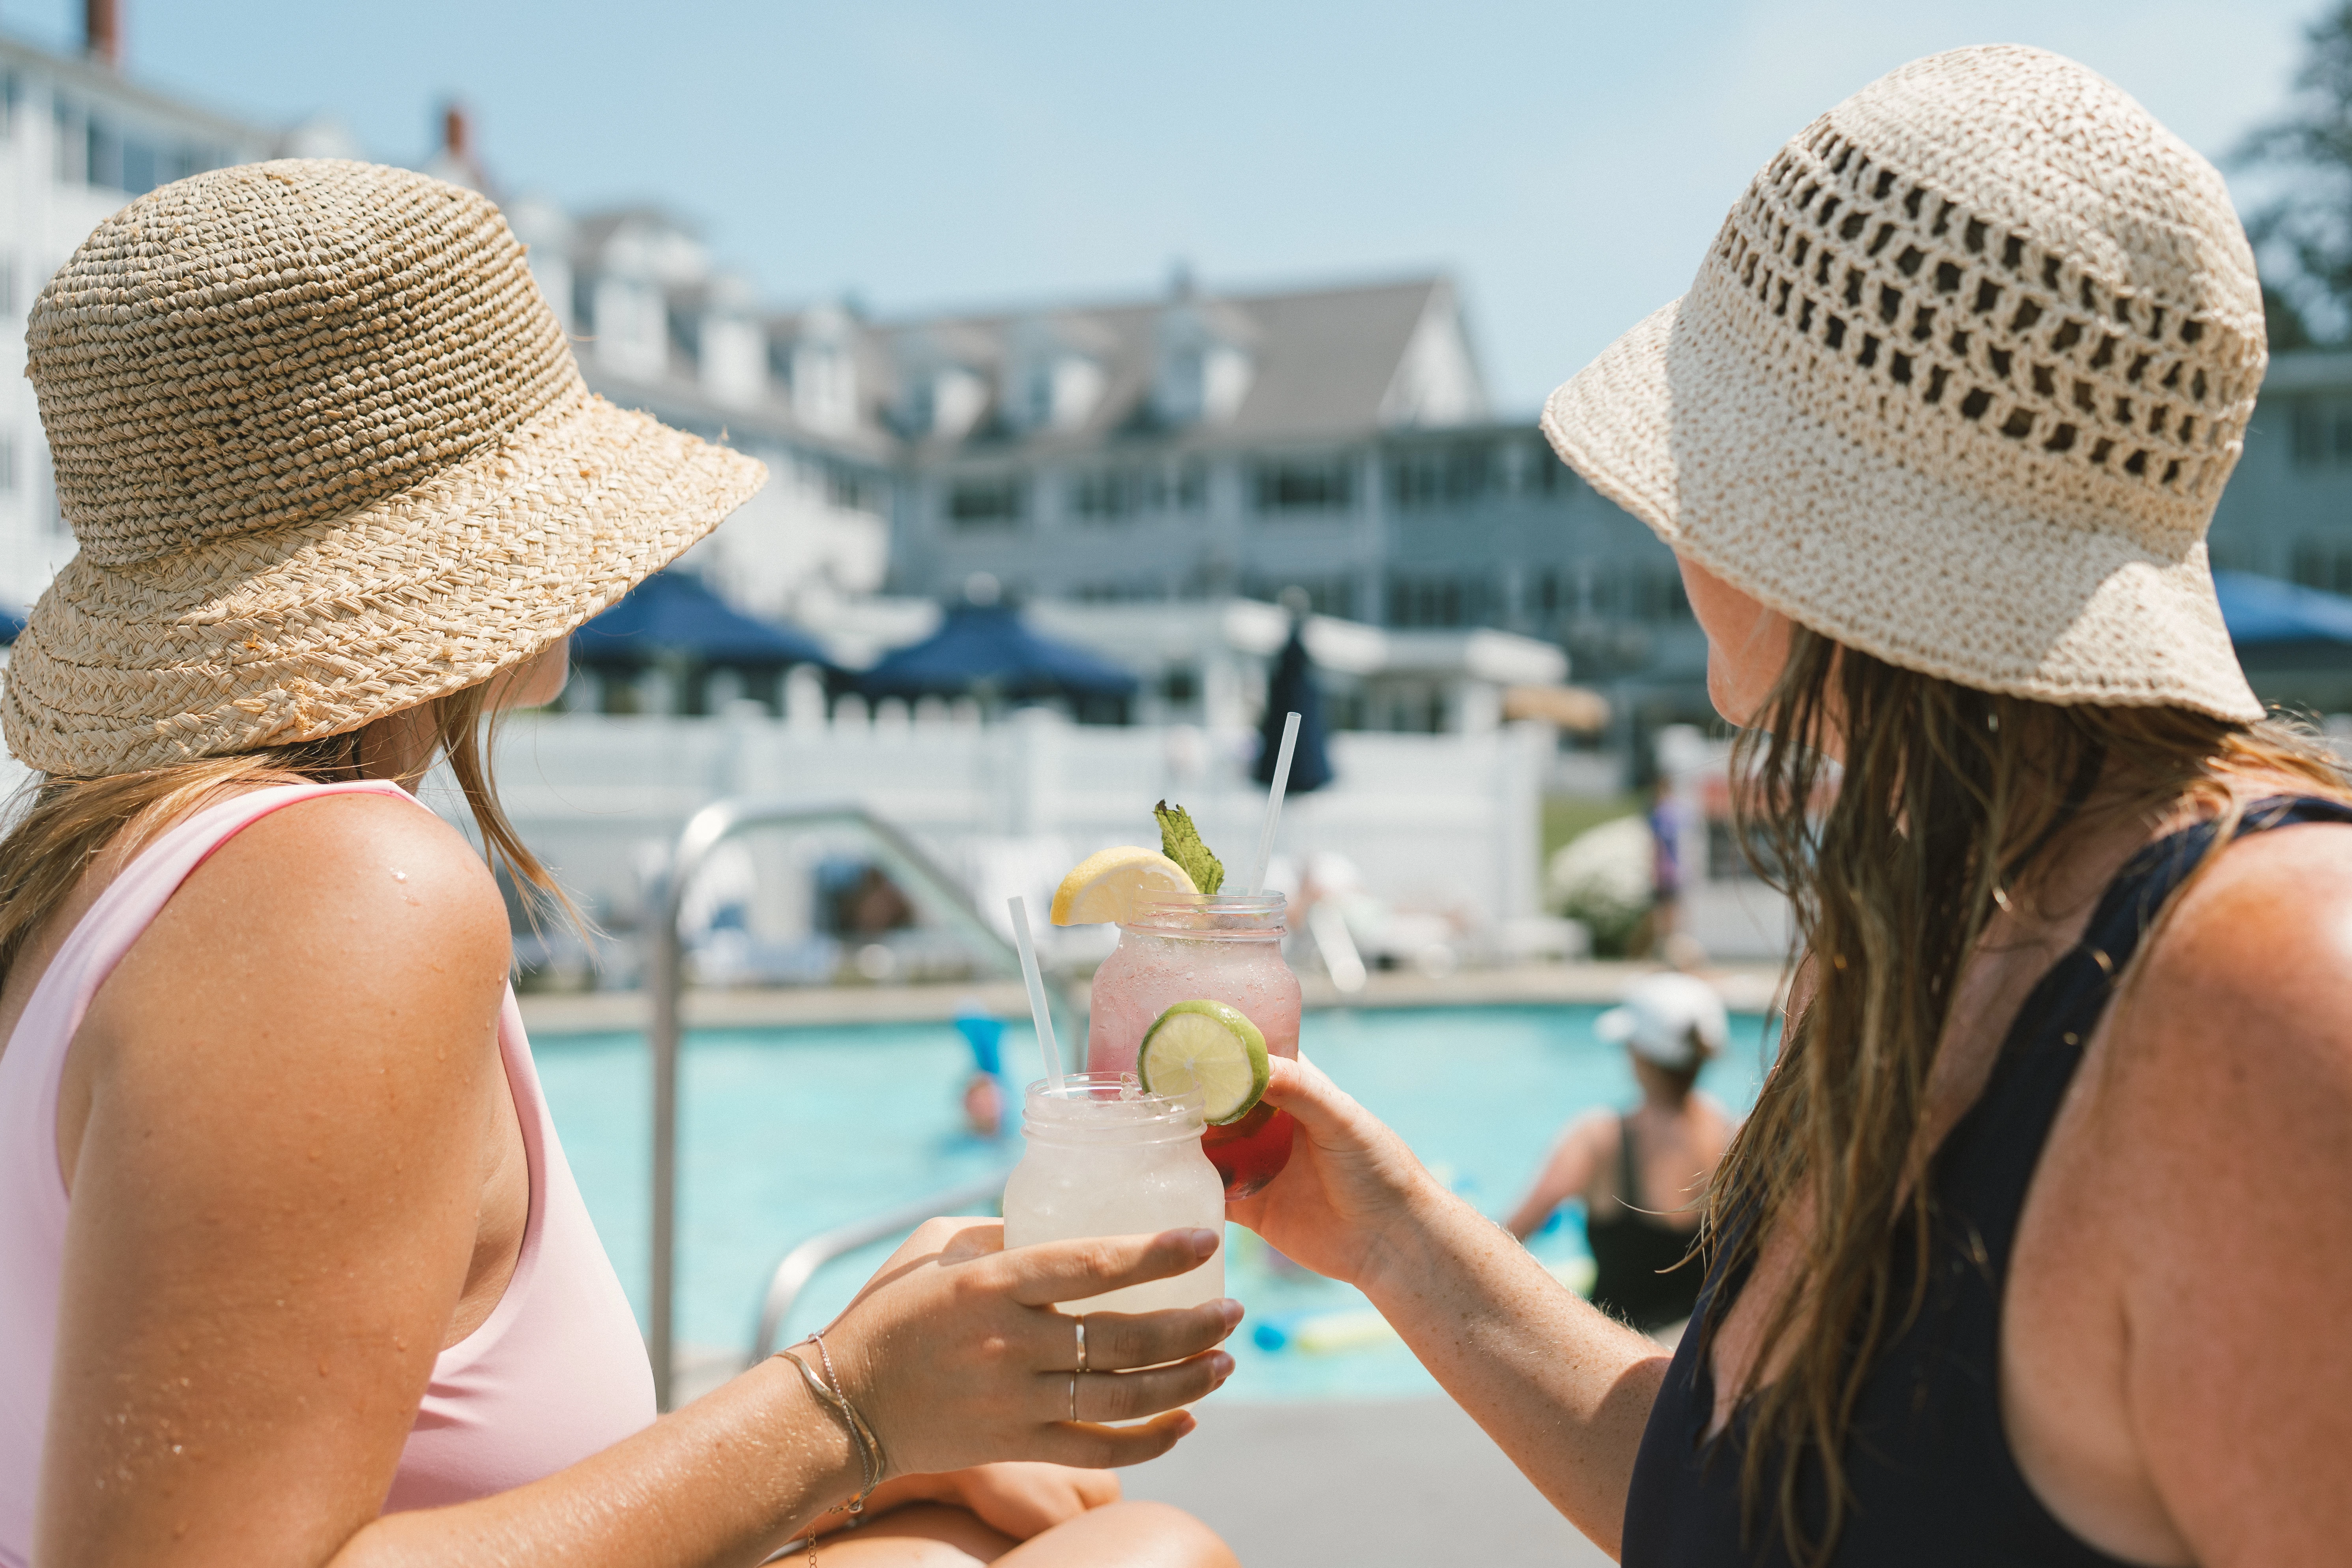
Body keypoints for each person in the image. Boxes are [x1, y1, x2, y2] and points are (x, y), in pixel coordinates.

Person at [0, 162, 1239, 1568]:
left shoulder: (94, 880)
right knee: (1147, 1557)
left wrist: (858, 1454)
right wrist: (846, 1408)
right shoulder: (338, 891)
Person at [1230, 47, 2352, 1567]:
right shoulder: (1911, 933)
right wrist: (1387, 1233)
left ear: (1795, 540)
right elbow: (1750, 1504)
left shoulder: (2264, 1003)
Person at [1503, 975, 1735, 1335]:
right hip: (1700, 1356)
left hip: (1611, 1363)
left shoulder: (1597, 1140)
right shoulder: (1737, 1138)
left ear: (1638, 1055)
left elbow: (1506, 1243)